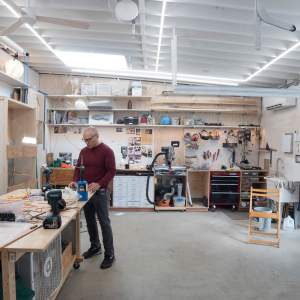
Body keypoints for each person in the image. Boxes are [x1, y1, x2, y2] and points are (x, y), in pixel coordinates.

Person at [70, 127, 116, 269]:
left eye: (89, 139)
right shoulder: (83, 152)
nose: (87, 142)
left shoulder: (107, 151)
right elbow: (78, 169)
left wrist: (99, 183)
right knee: (89, 220)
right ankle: (95, 247)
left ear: (97, 136)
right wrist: (74, 181)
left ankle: (110, 254)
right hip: (86, 192)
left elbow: (111, 171)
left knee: (104, 222)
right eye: (84, 139)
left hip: (100, 192)